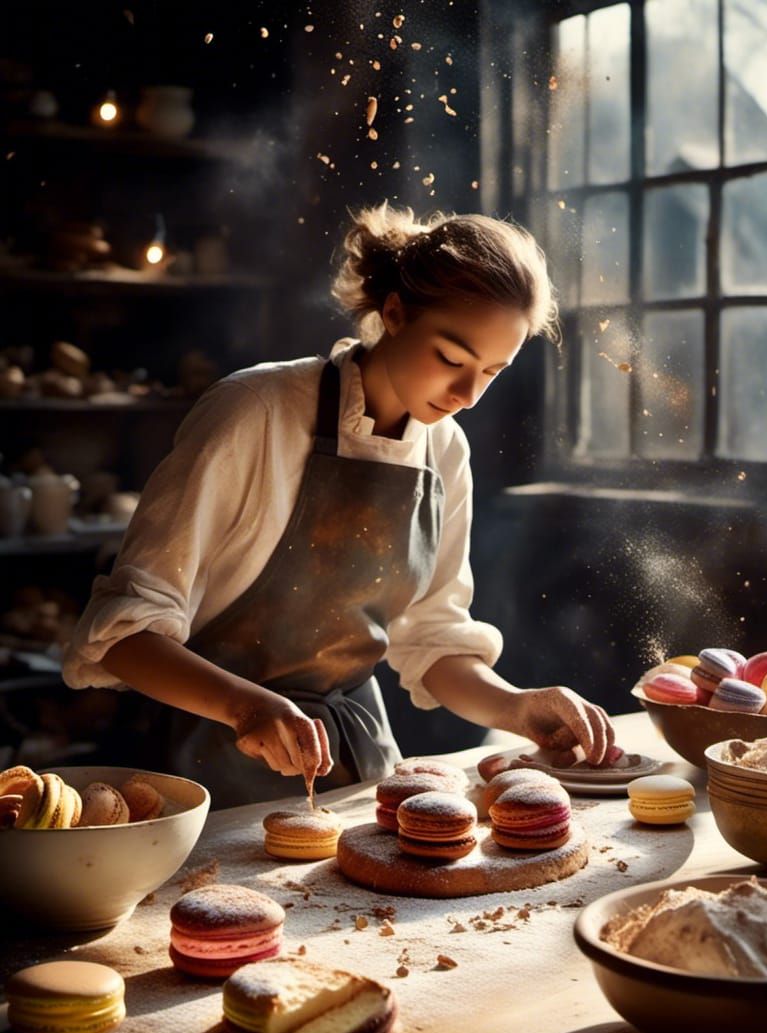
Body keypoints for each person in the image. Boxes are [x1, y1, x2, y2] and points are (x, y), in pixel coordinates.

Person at [63, 202, 615, 808]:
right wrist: (245, 705)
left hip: (353, 769)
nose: (467, 395)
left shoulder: (443, 450)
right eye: (452, 360)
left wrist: (515, 704)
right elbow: (124, 635)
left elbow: (432, 641)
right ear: (395, 314)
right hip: (199, 766)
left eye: (492, 371)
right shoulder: (256, 411)